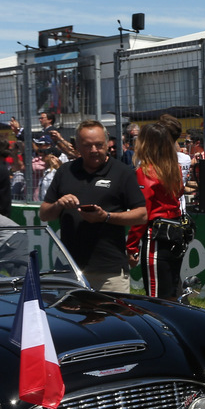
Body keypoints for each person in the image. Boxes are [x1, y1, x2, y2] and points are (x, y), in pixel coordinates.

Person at [40, 121, 147, 292]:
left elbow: (142, 215)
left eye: (99, 145)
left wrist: (106, 217)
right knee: (69, 318)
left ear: (107, 144)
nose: (94, 150)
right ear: (77, 147)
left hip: (109, 272)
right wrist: (59, 204)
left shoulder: (122, 172)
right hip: (70, 270)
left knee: (112, 318)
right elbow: (44, 214)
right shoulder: (65, 171)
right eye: (87, 145)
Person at [126, 123, 188, 299]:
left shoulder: (145, 172)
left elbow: (142, 213)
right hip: (176, 233)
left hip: (156, 236)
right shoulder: (173, 169)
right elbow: (180, 192)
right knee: (171, 291)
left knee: (155, 297)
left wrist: (131, 247)